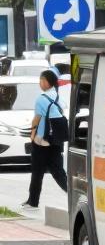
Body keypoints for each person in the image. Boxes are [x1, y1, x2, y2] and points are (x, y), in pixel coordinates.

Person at [22, 69, 68, 211]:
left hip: (41, 142)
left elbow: (37, 120)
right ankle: (73, 194)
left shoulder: (41, 99)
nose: (40, 83)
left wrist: (32, 136)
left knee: (37, 172)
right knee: (59, 172)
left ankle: (33, 202)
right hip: (56, 141)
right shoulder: (59, 98)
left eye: (42, 80)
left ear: (48, 82)